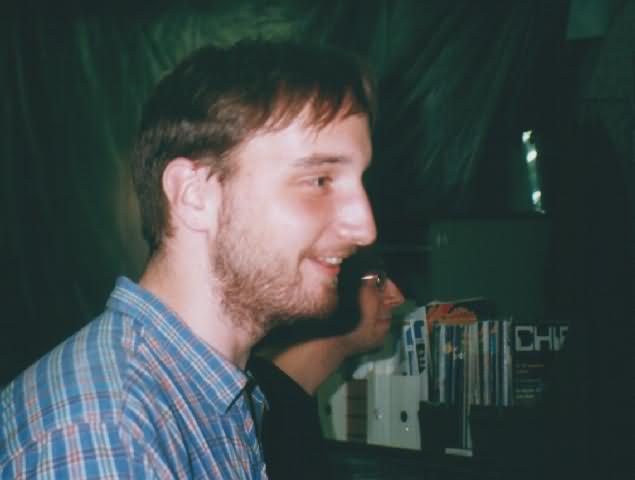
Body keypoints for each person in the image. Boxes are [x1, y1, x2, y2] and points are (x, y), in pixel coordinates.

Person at [0, 39, 377, 479]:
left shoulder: (215, 392)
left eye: (360, 180)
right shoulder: (110, 435)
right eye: (319, 180)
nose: (365, 227)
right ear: (194, 196)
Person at [248, 246, 405, 479]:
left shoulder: (289, 401)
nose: (397, 298)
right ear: (334, 285)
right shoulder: (261, 412)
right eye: (379, 280)